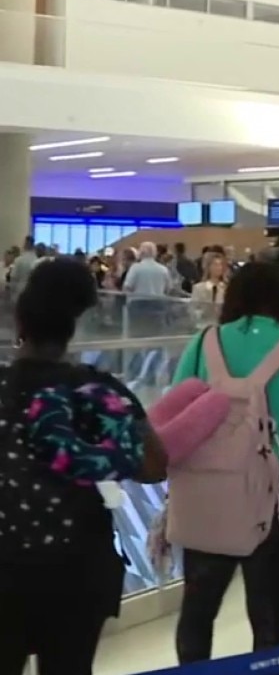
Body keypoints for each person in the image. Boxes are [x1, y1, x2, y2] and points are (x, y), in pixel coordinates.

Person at [0, 258, 167, 673]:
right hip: (77, 570)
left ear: (20, 321)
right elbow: (155, 465)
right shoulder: (98, 390)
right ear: (76, 323)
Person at [170, 262, 279, 664]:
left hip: (208, 493)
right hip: (277, 495)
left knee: (197, 613)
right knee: (270, 619)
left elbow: (176, 415)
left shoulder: (204, 344)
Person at [191, 253, 229, 326]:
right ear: (208, 267)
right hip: (204, 326)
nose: (219, 267)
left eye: (220, 264)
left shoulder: (226, 289)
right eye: (215, 264)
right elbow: (193, 310)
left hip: (221, 327)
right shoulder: (198, 288)